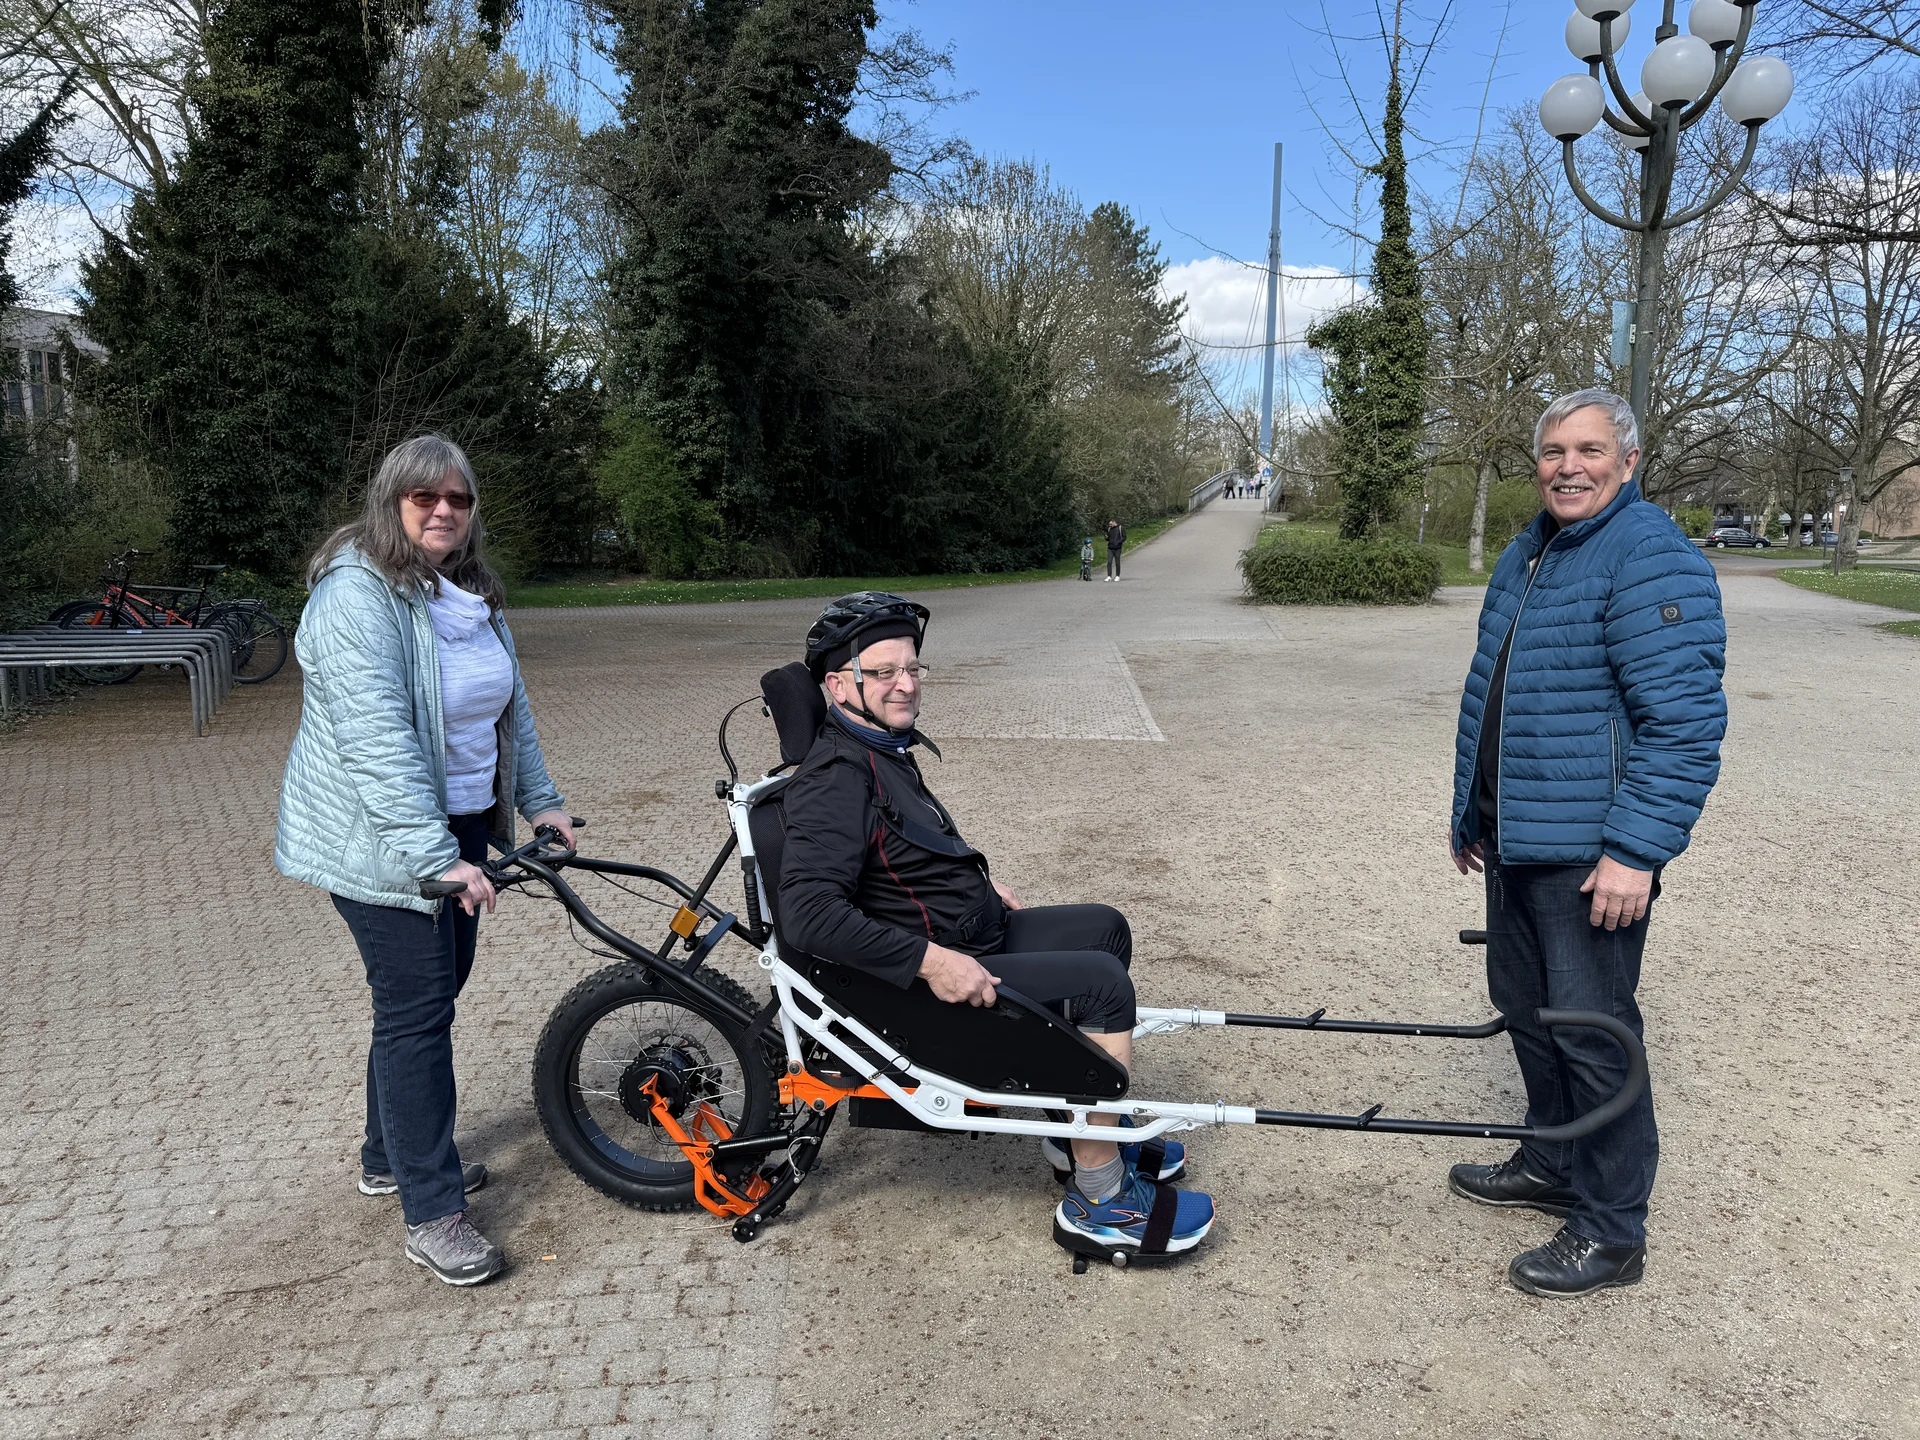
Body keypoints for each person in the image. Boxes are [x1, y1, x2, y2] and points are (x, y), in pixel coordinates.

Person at [777, 593, 1215, 1262]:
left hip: (972, 938)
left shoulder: (876, 745)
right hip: (922, 992)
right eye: (884, 671)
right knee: (1101, 986)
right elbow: (809, 915)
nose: (905, 684)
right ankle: (1102, 1201)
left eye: (913, 668)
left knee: (1104, 931)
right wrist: (932, 962)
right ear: (839, 685)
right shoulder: (834, 777)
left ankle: (1080, 1130)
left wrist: (981, 888)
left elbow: (903, 856)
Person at [274, 434, 574, 1287]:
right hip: (381, 840)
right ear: (391, 503)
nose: (444, 511)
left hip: (462, 827)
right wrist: (432, 858)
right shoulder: (354, 597)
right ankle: (433, 1210)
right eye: (424, 498)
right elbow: (375, 741)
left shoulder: (471, 591)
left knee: (430, 993)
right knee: (416, 1014)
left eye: (460, 499)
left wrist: (540, 801)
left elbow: (508, 708)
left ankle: (386, 1155)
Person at [1446, 390, 1726, 1298]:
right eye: (1554, 450)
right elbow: (1502, 691)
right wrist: (1474, 813)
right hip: (1521, 838)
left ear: (1630, 461)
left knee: (1593, 1032)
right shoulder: (1532, 551)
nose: (1569, 465)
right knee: (1527, 1010)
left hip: (1591, 853)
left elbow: (1681, 725)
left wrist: (1637, 851)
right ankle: (1553, 1160)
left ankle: (1611, 1230)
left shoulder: (1647, 556)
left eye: (1590, 449)